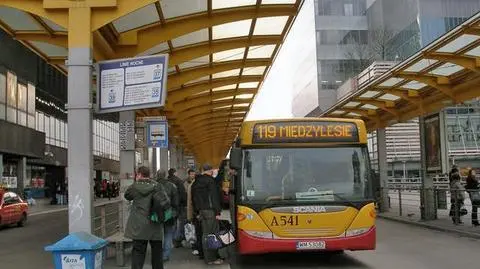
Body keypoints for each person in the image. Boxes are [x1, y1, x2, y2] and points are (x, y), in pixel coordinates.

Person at [124, 166, 164, 269]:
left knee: (138, 253)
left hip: (139, 226)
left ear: (139, 175)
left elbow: (127, 196)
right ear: (149, 175)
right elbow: (164, 201)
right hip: (155, 224)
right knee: (157, 254)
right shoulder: (157, 186)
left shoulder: (134, 187)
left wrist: (136, 182)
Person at [191, 164, 223, 265]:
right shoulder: (210, 181)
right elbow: (214, 197)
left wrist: (196, 212)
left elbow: (193, 199)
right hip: (210, 211)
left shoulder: (196, 182)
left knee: (204, 234)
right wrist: (217, 212)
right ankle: (211, 259)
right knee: (212, 235)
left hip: (201, 212)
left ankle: (206, 257)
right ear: (210, 171)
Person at [155, 169, 179, 262]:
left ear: (157, 175)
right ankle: (165, 255)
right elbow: (176, 201)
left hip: (156, 214)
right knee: (168, 234)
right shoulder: (172, 186)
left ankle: (157, 255)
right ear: (165, 175)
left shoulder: (153, 185)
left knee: (156, 235)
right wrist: (175, 212)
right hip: (169, 213)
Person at [167, 168, 188, 248]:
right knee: (181, 222)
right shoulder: (178, 181)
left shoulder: (167, 181)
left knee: (173, 224)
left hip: (169, 205)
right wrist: (185, 203)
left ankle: (171, 241)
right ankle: (177, 240)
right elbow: (182, 193)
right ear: (175, 173)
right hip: (179, 205)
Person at [185, 169, 200, 255]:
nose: (193, 175)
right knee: (194, 229)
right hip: (192, 210)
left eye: (194, 174)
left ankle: (195, 246)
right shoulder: (188, 184)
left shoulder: (192, 185)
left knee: (195, 229)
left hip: (193, 210)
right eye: (191, 174)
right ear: (189, 175)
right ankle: (195, 246)